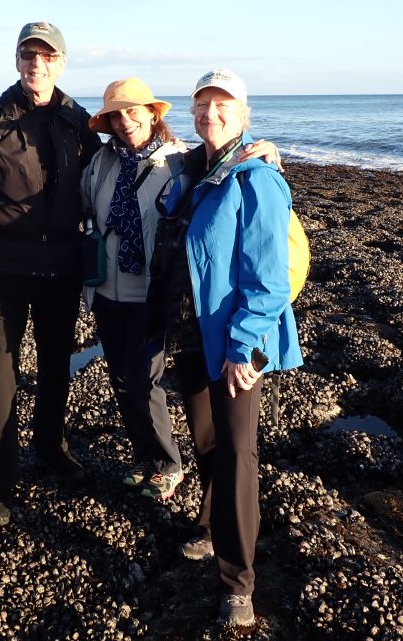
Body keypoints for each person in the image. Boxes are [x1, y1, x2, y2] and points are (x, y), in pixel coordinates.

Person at [146, 68, 302, 627]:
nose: (210, 114)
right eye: (202, 105)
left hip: (238, 341)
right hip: (190, 335)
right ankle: (212, 529)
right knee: (208, 443)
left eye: (222, 106)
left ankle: (239, 583)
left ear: (243, 115)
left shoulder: (258, 178)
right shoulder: (194, 168)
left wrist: (242, 347)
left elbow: (268, 279)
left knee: (238, 456)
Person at [82, 78, 282, 503]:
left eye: (133, 111)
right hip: (106, 290)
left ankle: (170, 468)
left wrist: (270, 154)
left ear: (153, 114)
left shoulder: (178, 163)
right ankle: (151, 458)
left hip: (155, 295)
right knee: (123, 380)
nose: (124, 121)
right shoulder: (99, 162)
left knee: (146, 381)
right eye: (115, 115)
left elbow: (232, 170)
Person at [0, 22, 102, 527]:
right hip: (2, 267)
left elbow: (132, 156)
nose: (37, 64)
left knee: (57, 366)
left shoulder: (79, 121)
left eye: (47, 56)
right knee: (1, 374)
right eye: (28, 55)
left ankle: (51, 448)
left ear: (61, 62)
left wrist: (249, 150)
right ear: (16, 61)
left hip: (62, 267)